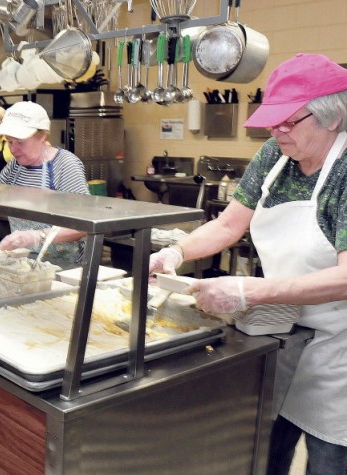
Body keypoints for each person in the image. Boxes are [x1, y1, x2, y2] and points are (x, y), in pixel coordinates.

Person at [148, 53, 347, 475]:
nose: (277, 132)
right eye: (272, 122)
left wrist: (248, 291)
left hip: (341, 350)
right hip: (284, 329)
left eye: (288, 122)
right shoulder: (275, 154)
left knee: (328, 460)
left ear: (332, 118)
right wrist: (179, 251)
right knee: (264, 451)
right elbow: (228, 225)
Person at [0, 101, 89, 264]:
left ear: (42, 136)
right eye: (10, 142)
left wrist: (34, 236)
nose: (13, 149)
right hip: (25, 262)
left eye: (20, 142)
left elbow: (81, 225)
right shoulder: (15, 165)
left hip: (65, 266)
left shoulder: (65, 165)